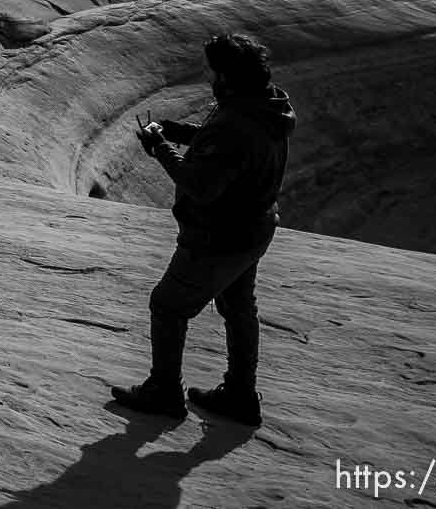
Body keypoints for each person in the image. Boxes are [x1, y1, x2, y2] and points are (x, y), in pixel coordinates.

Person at [112, 33, 297, 426]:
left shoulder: (236, 120)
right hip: (255, 228)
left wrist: (159, 147)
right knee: (239, 306)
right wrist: (176, 131)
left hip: (220, 236)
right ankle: (241, 395)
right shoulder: (267, 105)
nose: (210, 77)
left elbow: (200, 185)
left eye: (213, 71)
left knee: (167, 305)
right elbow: (227, 141)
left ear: (227, 75)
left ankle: (164, 392)